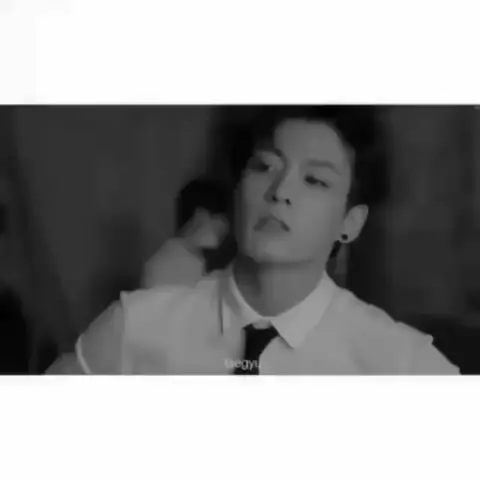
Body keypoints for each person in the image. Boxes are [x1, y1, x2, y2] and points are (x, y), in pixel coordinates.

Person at [47, 106, 459, 375]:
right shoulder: (138, 326)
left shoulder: (399, 363)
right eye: (265, 166)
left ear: (350, 222)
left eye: (314, 180)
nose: (280, 191)